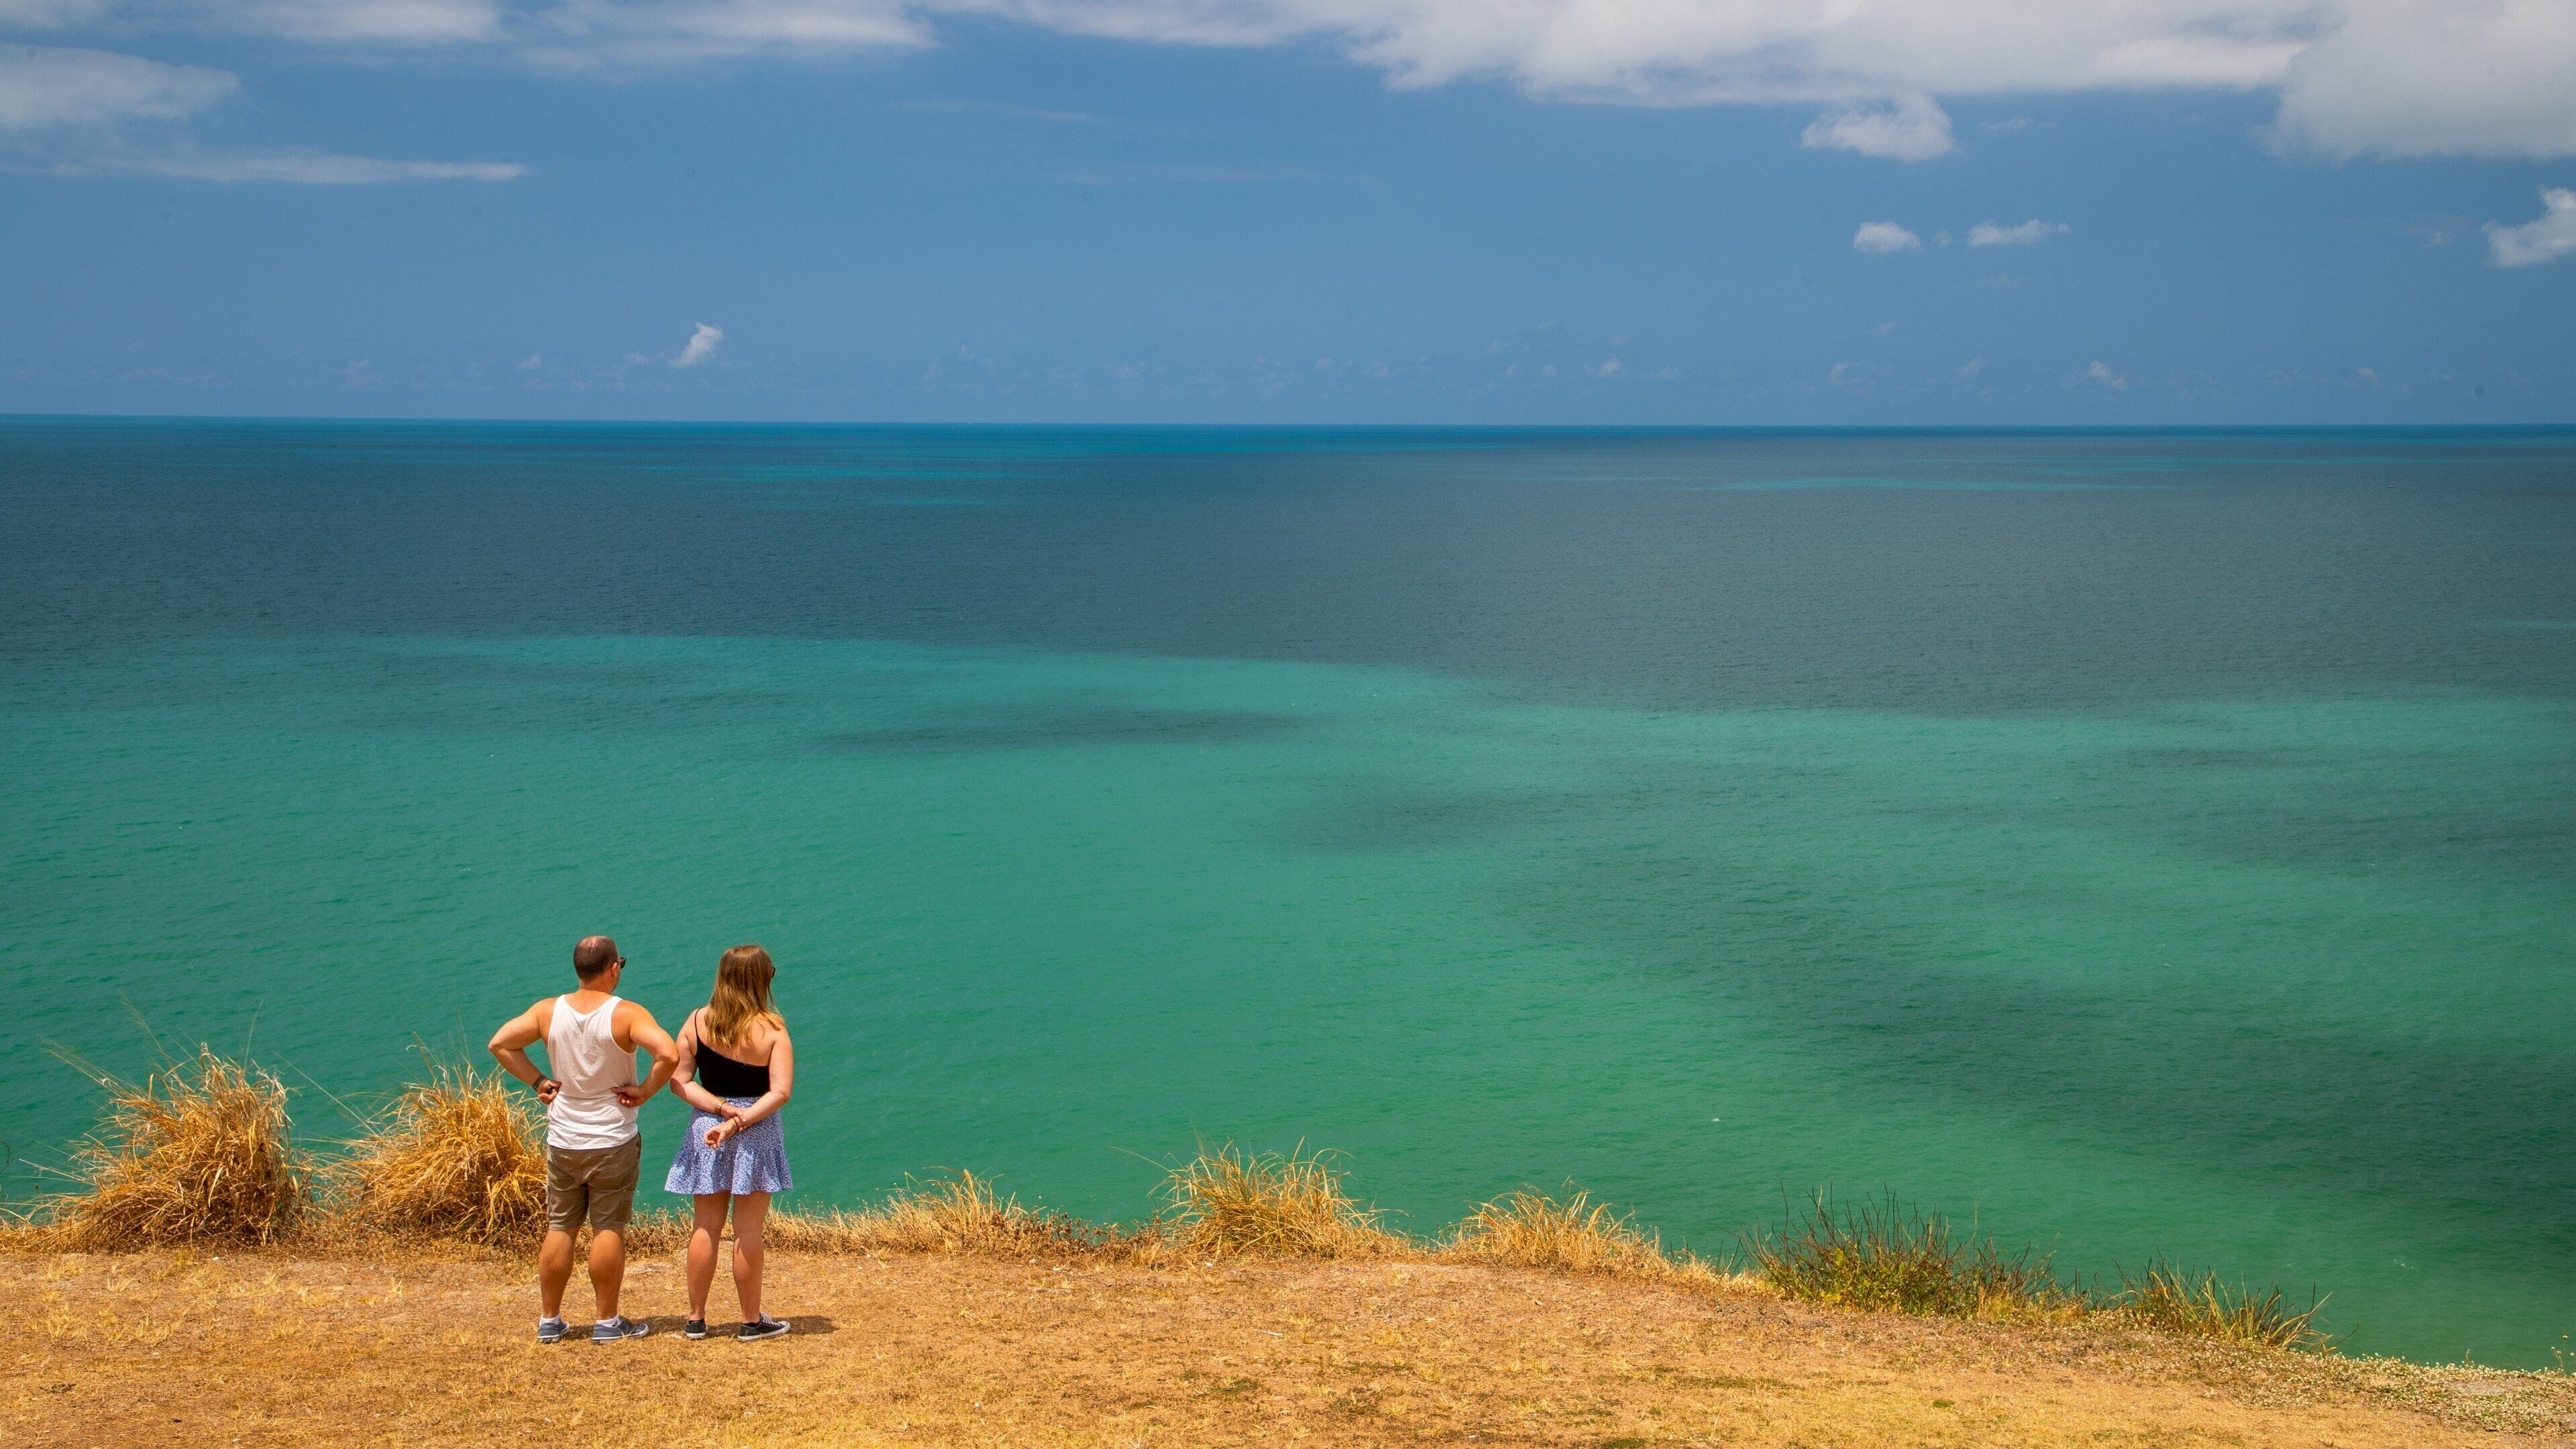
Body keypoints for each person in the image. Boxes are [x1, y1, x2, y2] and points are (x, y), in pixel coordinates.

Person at [488, 935, 679, 1344]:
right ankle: (607, 1322)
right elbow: (668, 1053)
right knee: (608, 1226)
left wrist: (539, 1080)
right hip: (612, 1138)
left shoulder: (547, 1011)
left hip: (563, 1138)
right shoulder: (626, 1014)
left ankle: (550, 1320)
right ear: (613, 968)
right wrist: (644, 1090)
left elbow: (500, 1043)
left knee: (561, 1226)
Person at [663, 943, 796, 1342]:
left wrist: (721, 1111)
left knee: (704, 1225)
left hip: (707, 1129)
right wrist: (739, 1121)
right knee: (748, 1231)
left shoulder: (698, 1021)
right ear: (760, 979)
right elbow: (780, 1092)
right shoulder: (772, 1029)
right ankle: (751, 1321)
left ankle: (696, 1319)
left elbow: (679, 1081)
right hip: (756, 1133)